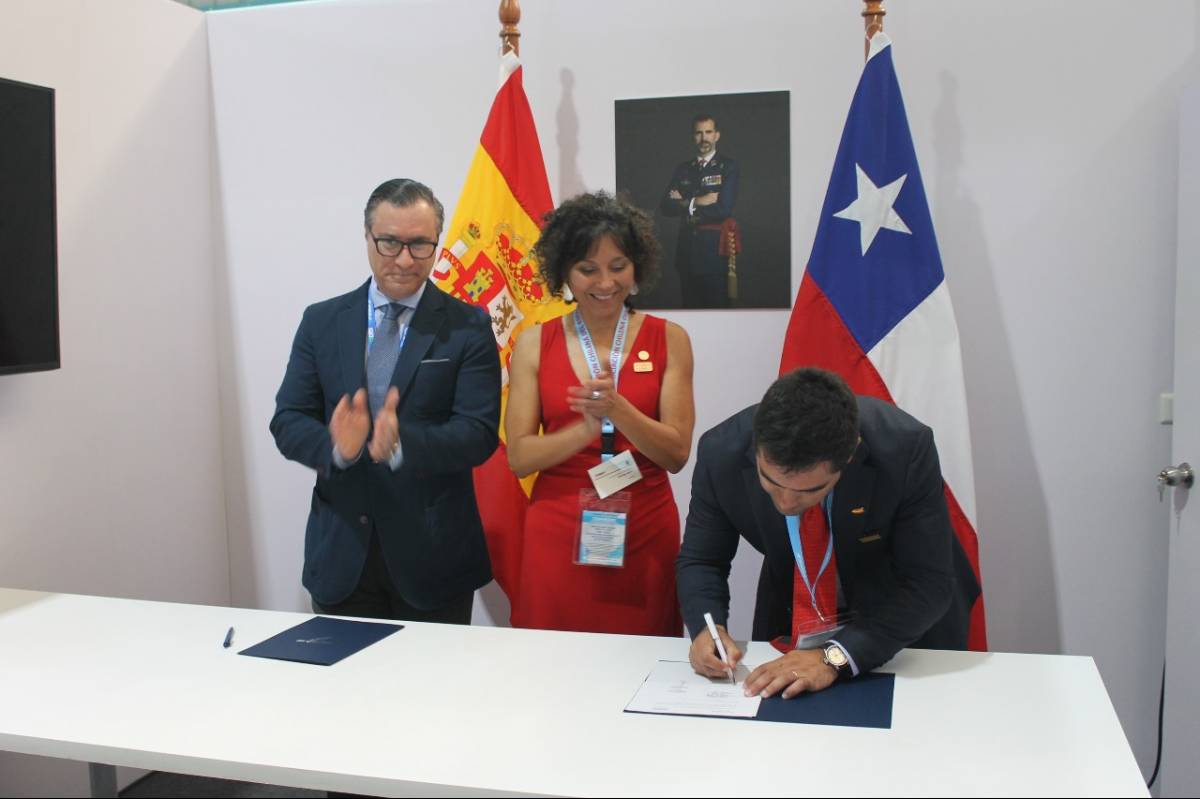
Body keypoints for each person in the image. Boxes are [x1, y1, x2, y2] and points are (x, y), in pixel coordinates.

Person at [270, 178, 500, 624]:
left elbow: (479, 434)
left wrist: (400, 443)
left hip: (434, 559)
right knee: (343, 692)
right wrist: (339, 448)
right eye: (390, 243)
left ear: (437, 242)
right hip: (343, 557)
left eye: (420, 245)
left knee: (431, 692)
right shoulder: (321, 321)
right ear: (367, 236)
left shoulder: (468, 326)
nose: (404, 260)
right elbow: (288, 420)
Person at [676, 367, 980, 697]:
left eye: (810, 490)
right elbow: (702, 560)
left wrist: (834, 657)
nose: (787, 502)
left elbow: (928, 583)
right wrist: (708, 628)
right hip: (795, 617)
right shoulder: (721, 453)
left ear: (849, 456)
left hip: (899, 626)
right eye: (771, 481)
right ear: (757, 447)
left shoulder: (903, 447)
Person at [506, 191, 695, 634]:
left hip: (645, 525)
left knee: (642, 664)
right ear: (564, 274)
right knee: (551, 665)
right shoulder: (534, 343)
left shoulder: (671, 339)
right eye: (587, 269)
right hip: (557, 528)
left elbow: (676, 453)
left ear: (637, 268)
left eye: (618, 267)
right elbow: (519, 457)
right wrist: (585, 428)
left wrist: (618, 409)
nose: (604, 282)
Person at [659, 114, 740, 309]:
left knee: (718, 313)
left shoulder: (728, 167)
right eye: (698, 133)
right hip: (686, 253)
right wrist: (697, 201)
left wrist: (684, 203)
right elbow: (665, 206)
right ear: (693, 137)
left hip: (713, 255)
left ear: (717, 135)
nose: (704, 138)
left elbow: (723, 209)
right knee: (690, 312)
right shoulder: (683, 169)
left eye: (708, 132)